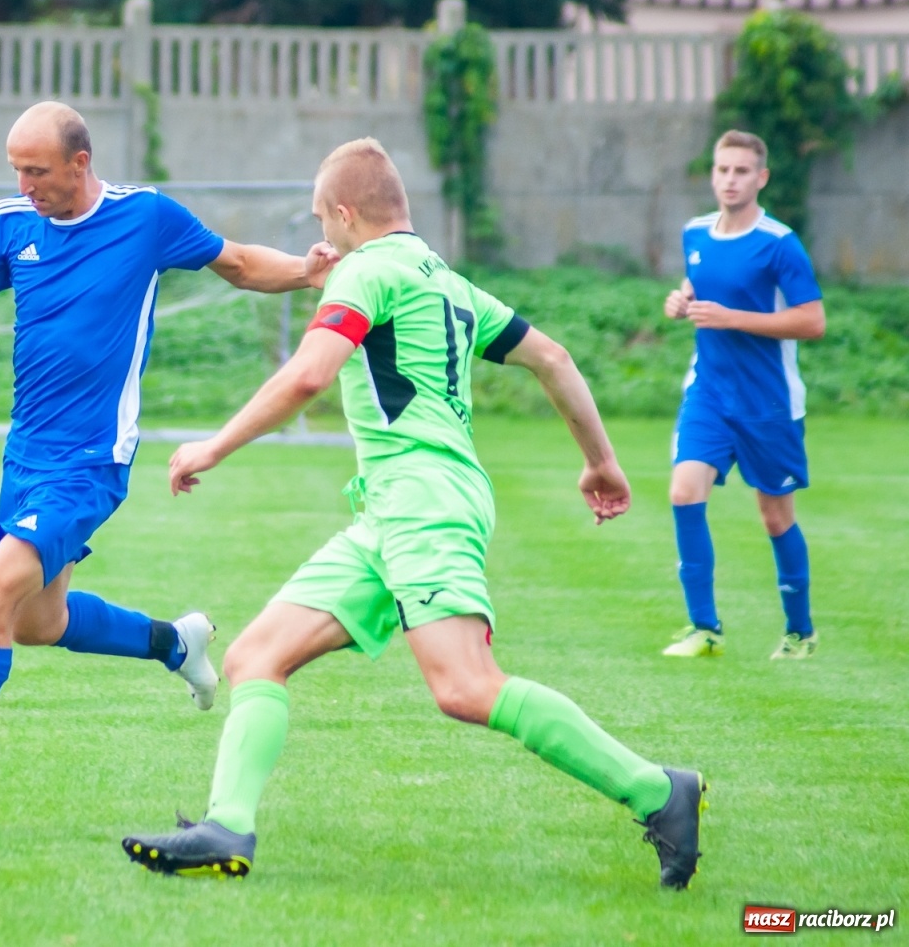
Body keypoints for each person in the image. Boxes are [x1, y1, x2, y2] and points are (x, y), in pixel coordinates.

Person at [121, 138, 705, 889]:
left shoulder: (366, 270)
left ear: (342, 212)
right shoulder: (447, 280)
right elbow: (553, 358)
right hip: (391, 509)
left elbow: (309, 375)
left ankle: (659, 791)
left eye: (321, 223)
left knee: (465, 687)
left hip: (425, 502)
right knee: (254, 657)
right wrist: (601, 460)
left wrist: (215, 445)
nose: (321, 240)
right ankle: (226, 829)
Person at [0, 101, 340, 834]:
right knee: (37, 623)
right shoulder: (11, 223)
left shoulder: (144, 218)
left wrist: (306, 272)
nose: (25, 183)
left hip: (90, 462)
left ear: (80, 164)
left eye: (37, 170)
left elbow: (235, 262)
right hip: (26, 457)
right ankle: (174, 642)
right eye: (16, 168)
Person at [660, 130, 825, 660]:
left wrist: (733, 319)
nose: (730, 180)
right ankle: (704, 628)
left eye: (741, 171)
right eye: (722, 169)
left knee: (775, 516)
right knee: (685, 491)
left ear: (761, 178)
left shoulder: (780, 244)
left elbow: (812, 321)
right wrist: (682, 298)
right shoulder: (694, 233)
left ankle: (800, 634)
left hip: (768, 402)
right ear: (712, 173)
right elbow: (701, 282)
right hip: (708, 390)